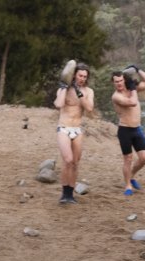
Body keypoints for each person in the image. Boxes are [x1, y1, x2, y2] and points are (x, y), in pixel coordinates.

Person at [53, 62, 95, 204]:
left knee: (75, 163)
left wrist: (79, 92)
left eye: (84, 76)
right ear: (74, 75)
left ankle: (70, 195)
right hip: (63, 128)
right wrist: (65, 87)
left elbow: (89, 108)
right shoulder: (64, 89)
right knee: (68, 160)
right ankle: (64, 194)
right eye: (80, 75)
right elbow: (58, 104)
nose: (82, 78)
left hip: (77, 129)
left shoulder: (88, 91)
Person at [111, 65, 145, 195]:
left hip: (137, 129)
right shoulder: (116, 96)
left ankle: (132, 175)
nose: (119, 83)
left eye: (120, 80)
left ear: (124, 80)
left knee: (144, 158)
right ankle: (128, 185)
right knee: (128, 159)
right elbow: (133, 102)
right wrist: (133, 87)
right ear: (113, 83)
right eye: (116, 81)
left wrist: (138, 69)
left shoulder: (131, 89)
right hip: (125, 130)